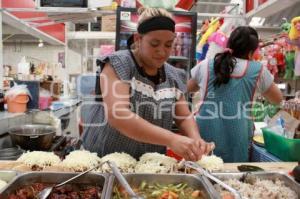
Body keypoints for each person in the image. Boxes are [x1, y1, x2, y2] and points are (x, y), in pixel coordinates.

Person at [82, 7, 213, 161]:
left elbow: (183, 116)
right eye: (154, 44)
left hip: (150, 166)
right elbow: (118, 115)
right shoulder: (119, 64)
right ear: (138, 39)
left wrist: (195, 139)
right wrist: (172, 139)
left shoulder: (175, 76)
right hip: (105, 162)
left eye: (168, 45)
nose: (162, 51)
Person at [188, 26, 283, 162]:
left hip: (205, 131)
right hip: (238, 133)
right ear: (252, 51)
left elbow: (189, 88)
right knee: (233, 177)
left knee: (204, 169)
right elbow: (278, 99)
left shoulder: (206, 65)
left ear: (229, 43)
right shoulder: (258, 70)